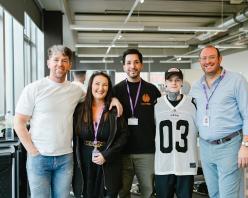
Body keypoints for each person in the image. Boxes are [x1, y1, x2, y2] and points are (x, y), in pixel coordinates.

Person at [14, 45, 122, 198]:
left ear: (70, 65)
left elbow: (96, 96)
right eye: (56, 60)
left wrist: (114, 99)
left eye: (64, 60)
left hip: (65, 158)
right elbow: (19, 122)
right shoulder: (34, 89)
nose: (60, 64)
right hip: (39, 158)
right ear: (48, 63)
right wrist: (32, 151)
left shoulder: (76, 90)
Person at [190, 45, 248, 198]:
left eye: (211, 57)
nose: (207, 61)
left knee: (229, 194)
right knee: (214, 193)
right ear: (200, 61)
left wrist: (246, 145)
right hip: (206, 147)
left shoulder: (236, 81)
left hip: (229, 146)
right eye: (204, 58)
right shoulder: (196, 87)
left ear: (220, 59)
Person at [72, 71, 129, 198]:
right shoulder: (79, 109)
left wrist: (107, 155)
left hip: (108, 158)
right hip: (85, 159)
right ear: (90, 85)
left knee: (107, 193)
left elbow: (124, 135)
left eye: (105, 85)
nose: (100, 88)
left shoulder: (114, 109)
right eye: (97, 84)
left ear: (109, 88)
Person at [113, 48, 161, 198]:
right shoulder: (116, 91)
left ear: (141, 65)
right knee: (122, 192)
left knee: (148, 191)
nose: (132, 66)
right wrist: (112, 99)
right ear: (123, 66)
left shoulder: (152, 90)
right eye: (128, 63)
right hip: (122, 151)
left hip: (147, 152)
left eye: (136, 62)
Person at [154, 67, 198, 198]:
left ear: (182, 83)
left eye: (177, 80)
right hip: (163, 164)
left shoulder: (192, 103)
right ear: (165, 83)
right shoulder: (157, 104)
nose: (174, 83)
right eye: (170, 80)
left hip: (185, 163)